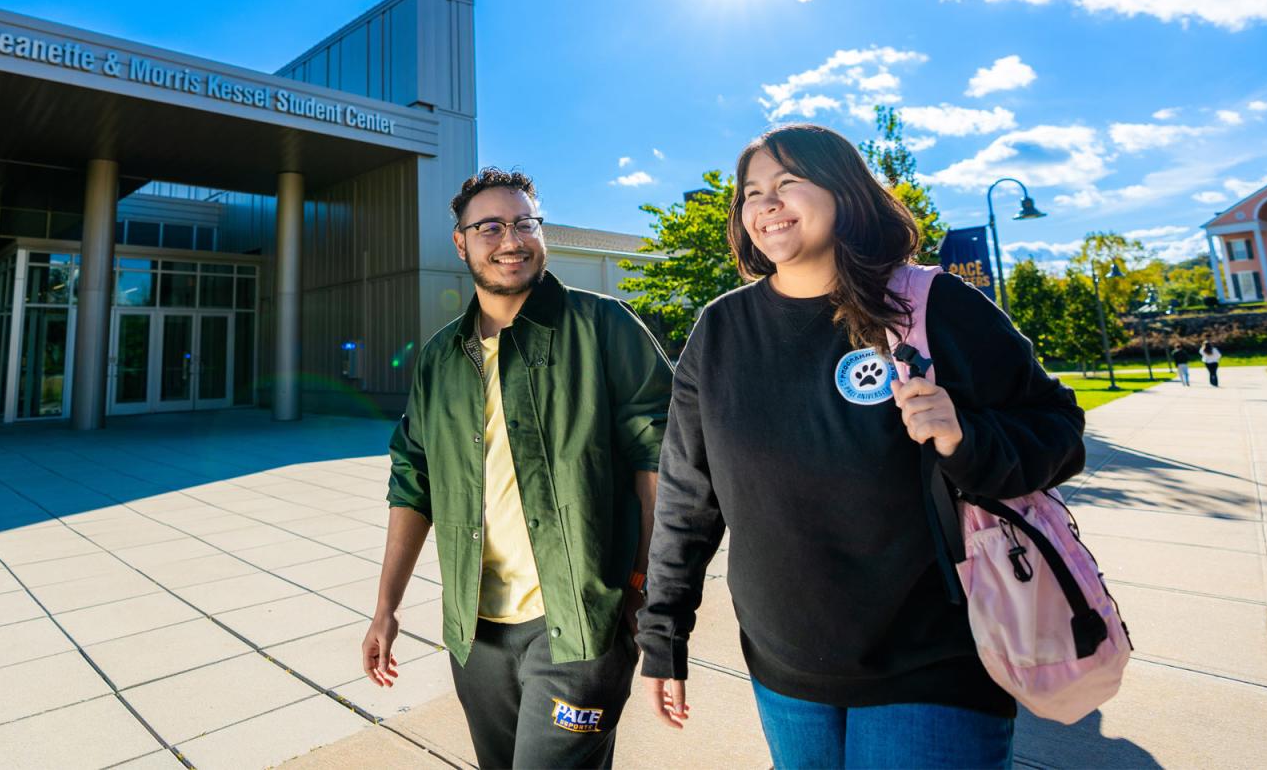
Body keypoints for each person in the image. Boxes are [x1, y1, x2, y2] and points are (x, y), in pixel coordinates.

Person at [636, 124, 1086, 769]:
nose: (765, 203)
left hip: (933, 661)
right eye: (751, 191)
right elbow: (687, 495)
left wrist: (965, 437)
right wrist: (664, 634)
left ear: (844, 191)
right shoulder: (721, 329)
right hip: (784, 669)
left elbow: (1059, 431)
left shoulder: (928, 305)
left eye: (788, 182)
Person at [363, 167, 673, 769]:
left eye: (525, 223)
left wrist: (643, 587)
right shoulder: (440, 359)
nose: (512, 239)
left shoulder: (604, 326)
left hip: (582, 623)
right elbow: (412, 480)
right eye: (491, 226)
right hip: (475, 634)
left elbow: (660, 457)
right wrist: (386, 607)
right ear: (461, 242)